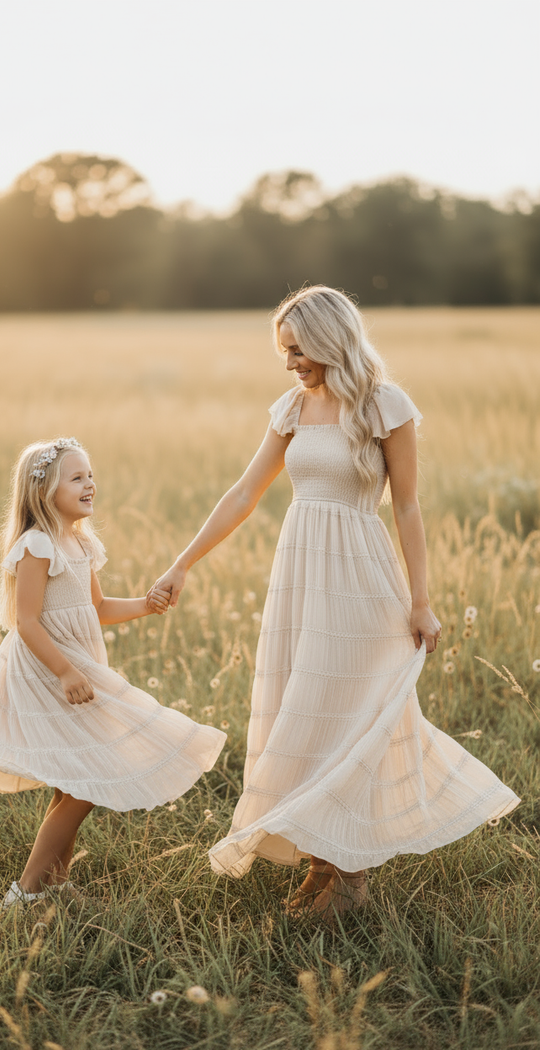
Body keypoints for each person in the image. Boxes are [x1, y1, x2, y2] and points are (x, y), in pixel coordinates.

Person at [149, 285, 520, 920]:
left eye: (297, 350)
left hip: (361, 576)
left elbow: (406, 505)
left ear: (329, 339)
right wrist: (182, 564)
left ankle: (351, 878)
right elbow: (244, 493)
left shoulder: (384, 405)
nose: (290, 362)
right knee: (306, 710)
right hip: (300, 575)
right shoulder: (291, 408)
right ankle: (322, 862)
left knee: (348, 714)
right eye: (283, 352)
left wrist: (421, 602)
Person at [0, 437, 226, 909]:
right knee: (89, 779)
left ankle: (55, 886)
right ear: (45, 491)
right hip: (46, 670)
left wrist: (145, 607)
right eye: (77, 477)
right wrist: (66, 672)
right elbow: (26, 620)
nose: (90, 484)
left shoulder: (82, 543)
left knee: (75, 781)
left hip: (76, 665)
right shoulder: (37, 545)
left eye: (90, 474)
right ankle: (26, 892)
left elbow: (97, 606)